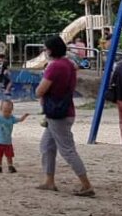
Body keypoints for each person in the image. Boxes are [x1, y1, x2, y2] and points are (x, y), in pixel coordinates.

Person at [35, 35, 94, 195]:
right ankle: (49, 181)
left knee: (67, 150)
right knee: (46, 146)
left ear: (51, 50)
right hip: (64, 110)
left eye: (46, 49)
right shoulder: (69, 64)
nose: (45, 51)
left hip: (57, 113)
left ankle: (86, 185)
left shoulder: (54, 67)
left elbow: (40, 90)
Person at [0, 98, 29, 172]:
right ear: (1, 109)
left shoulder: (12, 118)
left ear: (12, 110)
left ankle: (10, 166)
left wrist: (24, 116)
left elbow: (20, 120)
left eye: (9, 111)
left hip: (8, 142)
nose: (7, 113)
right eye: (5, 111)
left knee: (9, 155)